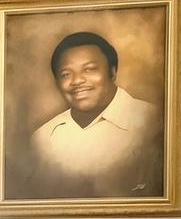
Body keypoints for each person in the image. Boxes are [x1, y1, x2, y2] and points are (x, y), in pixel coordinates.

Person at [26, 30, 162, 199]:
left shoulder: (154, 123)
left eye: (89, 69)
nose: (77, 81)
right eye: (66, 74)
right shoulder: (44, 138)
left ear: (112, 72)